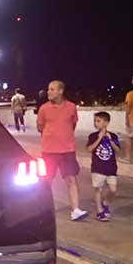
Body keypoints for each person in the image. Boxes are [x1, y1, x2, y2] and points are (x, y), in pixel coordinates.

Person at [37, 80, 88, 221]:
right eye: (48, 89)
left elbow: (73, 124)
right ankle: (44, 210)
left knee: (71, 179)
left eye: (52, 89)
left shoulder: (71, 107)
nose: (49, 92)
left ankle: (76, 210)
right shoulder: (43, 109)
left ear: (61, 91)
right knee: (47, 181)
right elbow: (40, 127)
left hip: (67, 151)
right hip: (49, 151)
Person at [86, 111, 119, 222]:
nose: (97, 123)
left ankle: (105, 203)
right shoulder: (93, 136)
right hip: (98, 167)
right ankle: (100, 211)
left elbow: (118, 150)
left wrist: (110, 139)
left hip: (111, 168)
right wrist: (99, 138)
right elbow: (89, 149)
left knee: (113, 189)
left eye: (99, 121)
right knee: (98, 189)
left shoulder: (113, 135)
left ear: (107, 122)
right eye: (96, 121)